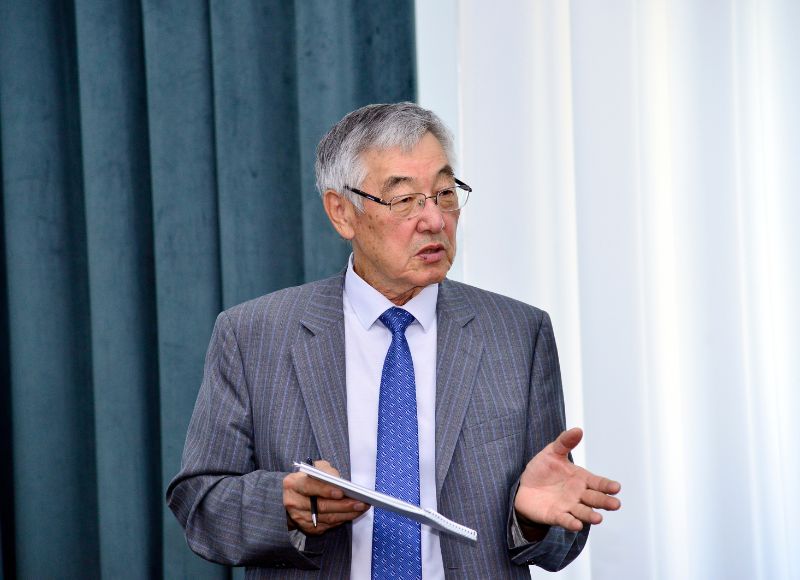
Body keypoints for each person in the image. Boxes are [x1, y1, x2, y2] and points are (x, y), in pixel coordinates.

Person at [167, 102, 621, 579]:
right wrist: (283, 507)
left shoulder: (517, 334)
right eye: (404, 199)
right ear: (342, 212)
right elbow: (200, 505)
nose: (434, 220)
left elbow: (558, 533)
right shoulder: (254, 335)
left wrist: (531, 521)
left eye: (445, 194)